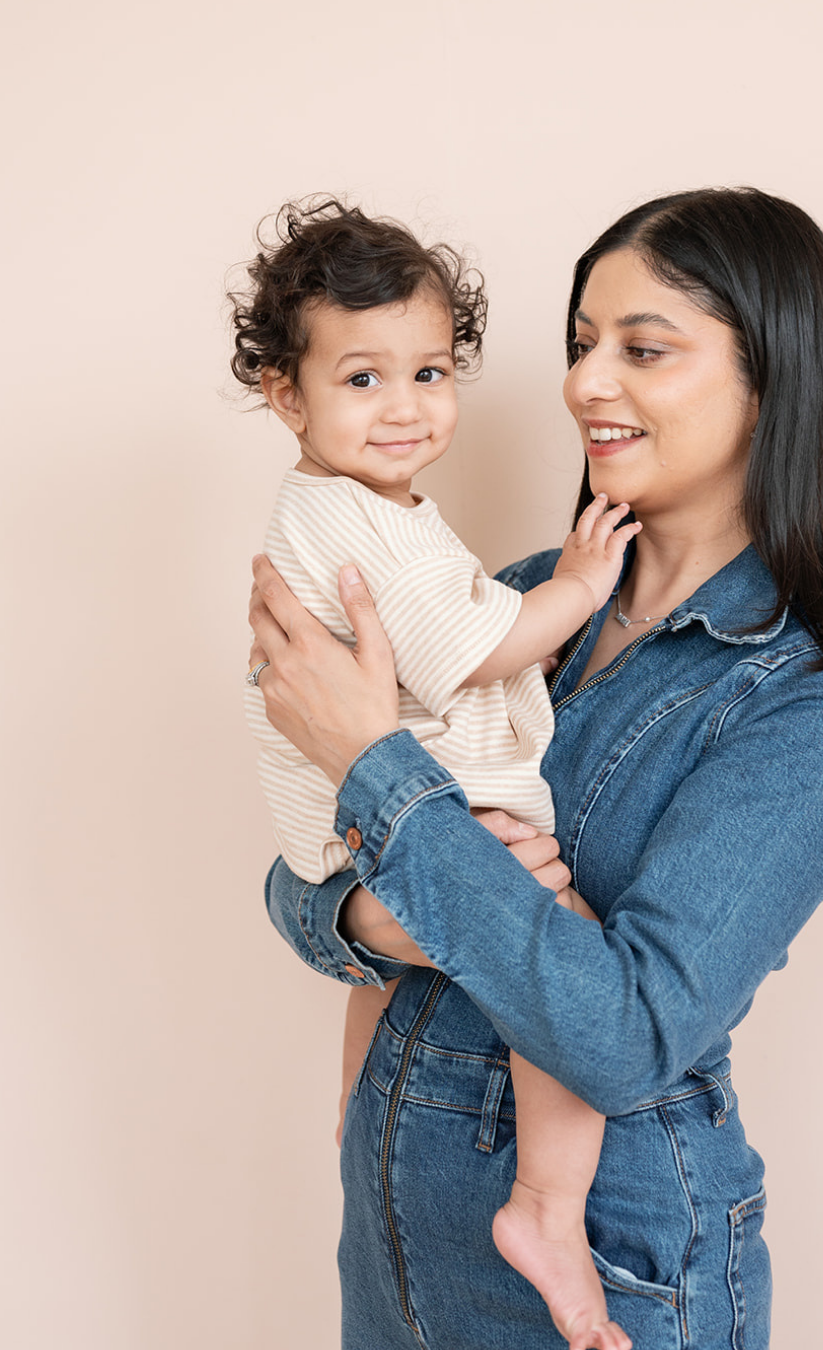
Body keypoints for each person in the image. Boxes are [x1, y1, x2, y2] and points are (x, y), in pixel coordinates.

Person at [247, 188, 823, 1350]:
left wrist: (378, 775)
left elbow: (622, 1034)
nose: (583, 384)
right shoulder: (510, 605)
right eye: (580, 344)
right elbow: (296, 887)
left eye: (642, 350)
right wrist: (383, 912)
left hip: (612, 1260)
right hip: (399, 1222)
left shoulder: (806, 696)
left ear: (774, 378)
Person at [233, 198, 641, 1350]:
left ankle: (356, 1117)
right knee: (549, 939)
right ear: (284, 394)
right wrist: (574, 585)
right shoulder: (367, 526)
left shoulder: (347, 507)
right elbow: (475, 646)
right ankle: (548, 1210)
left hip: (346, 825)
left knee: (388, 970)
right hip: (406, 797)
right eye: (362, 380)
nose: (405, 407)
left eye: (427, 371)